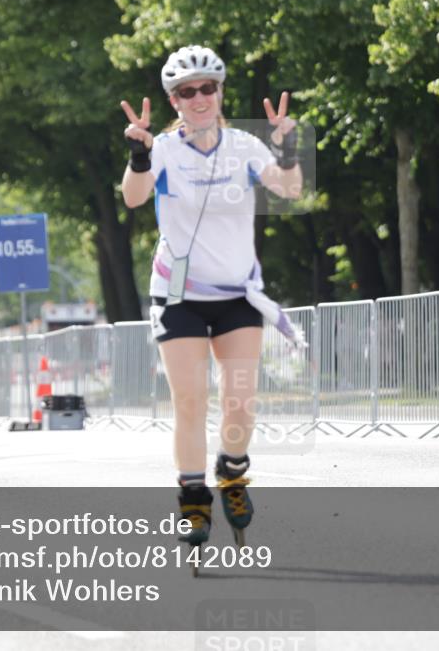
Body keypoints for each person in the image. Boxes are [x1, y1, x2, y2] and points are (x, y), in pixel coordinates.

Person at [120, 45, 304, 552]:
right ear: (173, 100)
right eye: (185, 91)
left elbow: (289, 190)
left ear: (220, 93)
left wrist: (287, 150)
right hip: (178, 293)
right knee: (191, 400)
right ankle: (193, 494)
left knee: (241, 402)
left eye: (207, 87)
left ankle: (234, 469)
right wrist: (138, 155)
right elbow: (133, 198)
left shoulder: (245, 145)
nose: (198, 97)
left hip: (236, 294)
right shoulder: (161, 149)